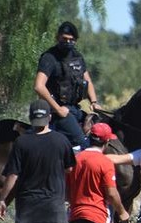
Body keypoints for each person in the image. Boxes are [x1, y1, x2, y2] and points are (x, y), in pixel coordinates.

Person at [34, 21, 102, 149]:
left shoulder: (77, 57)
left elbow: (88, 81)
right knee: (84, 144)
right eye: (64, 38)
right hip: (55, 112)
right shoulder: (49, 58)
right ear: (57, 37)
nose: (68, 42)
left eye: (71, 39)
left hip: (74, 109)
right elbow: (39, 86)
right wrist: (58, 109)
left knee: (100, 132)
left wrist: (94, 102)